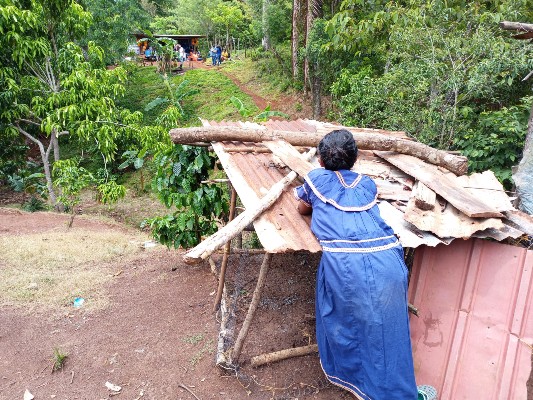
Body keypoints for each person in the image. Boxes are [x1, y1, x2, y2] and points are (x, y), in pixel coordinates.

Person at [294, 129, 418, 400]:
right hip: (389, 258)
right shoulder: (367, 184)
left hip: (348, 265)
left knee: (354, 329)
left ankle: (369, 390)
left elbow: (302, 207)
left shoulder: (315, 180)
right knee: (388, 334)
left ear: (321, 161)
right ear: (355, 159)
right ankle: (399, 393)